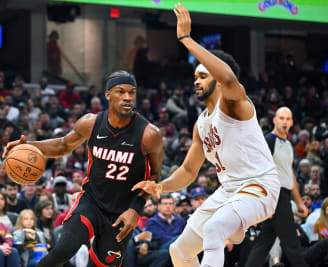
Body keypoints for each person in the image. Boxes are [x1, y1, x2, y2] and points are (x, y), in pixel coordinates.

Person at [132, 4, 280, 267]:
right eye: (195, 76)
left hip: (260, 187)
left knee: (214, 229)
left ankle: (235, 228)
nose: (196, 80)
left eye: (202, 75)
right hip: (229, 191)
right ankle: (236, 229)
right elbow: (189, 171)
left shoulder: (235, 104)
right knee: (179, 251)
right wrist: (160, 186)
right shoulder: (201, 123)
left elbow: (228, 78)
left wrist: (187, 39)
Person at [3, 70, 163, 266]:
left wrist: (135, 210)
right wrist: (27, 145)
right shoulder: (91, 123)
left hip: (123, 211)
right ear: (107, 95)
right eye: (121, 92)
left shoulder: (149, 134)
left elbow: (154, 175)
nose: (127, 97)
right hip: (92, 202)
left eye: (132, 92)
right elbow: (63, 145)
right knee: (62, 251)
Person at [245, 107, 309, 267]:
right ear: (274, 120)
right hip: (274, 194)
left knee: (264, 242)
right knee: (291, 243)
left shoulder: (288, 145)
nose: (284, 122)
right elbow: (256, 169)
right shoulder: (269, 141)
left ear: (292, 122)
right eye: (281, 118)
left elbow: (290, 175)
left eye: (288, 119)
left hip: (283, 194)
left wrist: (299, 202)